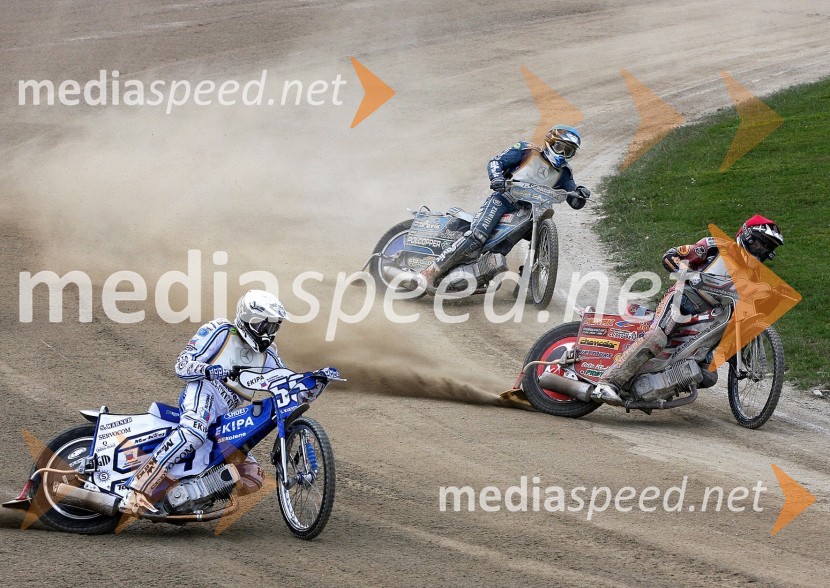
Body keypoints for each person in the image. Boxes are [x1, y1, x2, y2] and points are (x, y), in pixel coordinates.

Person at [121, 289, 325, 514]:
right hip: (203, 391)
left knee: (253, 476)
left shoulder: (268, 357)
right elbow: (182, 365)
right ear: (247, 318)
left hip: (226, 415)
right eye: (263, 326)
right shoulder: (221, 331)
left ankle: (189, 496)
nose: (267, 334)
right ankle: (136, 489)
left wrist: (313, 384)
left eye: (273, 328)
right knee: (193, 432)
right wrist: (208, 370)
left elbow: (289, 388)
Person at [592, 215, 785, 405]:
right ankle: (608, 382)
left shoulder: (754, 274)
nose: (761, 250)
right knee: (657, 338)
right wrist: (688, 274)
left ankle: (653, 387)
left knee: (708, 375)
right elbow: (670, 256)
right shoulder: (716, 246)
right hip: (683, 299)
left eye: (767, 248)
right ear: (746, 236)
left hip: (709, 319)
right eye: (759, 243)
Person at [419, 124, 591, 287]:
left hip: (529, 212)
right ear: (550, 143)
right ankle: (430, 272)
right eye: (560, 148)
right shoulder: (527, 150)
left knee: (537, 242)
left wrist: (580, 193)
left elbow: (574, 200)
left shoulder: (564, 173)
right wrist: (497, 178)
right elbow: (496, 161)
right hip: (503, 200)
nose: (563, 154)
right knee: (477, 236)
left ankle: (528, 283)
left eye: (568, 151)